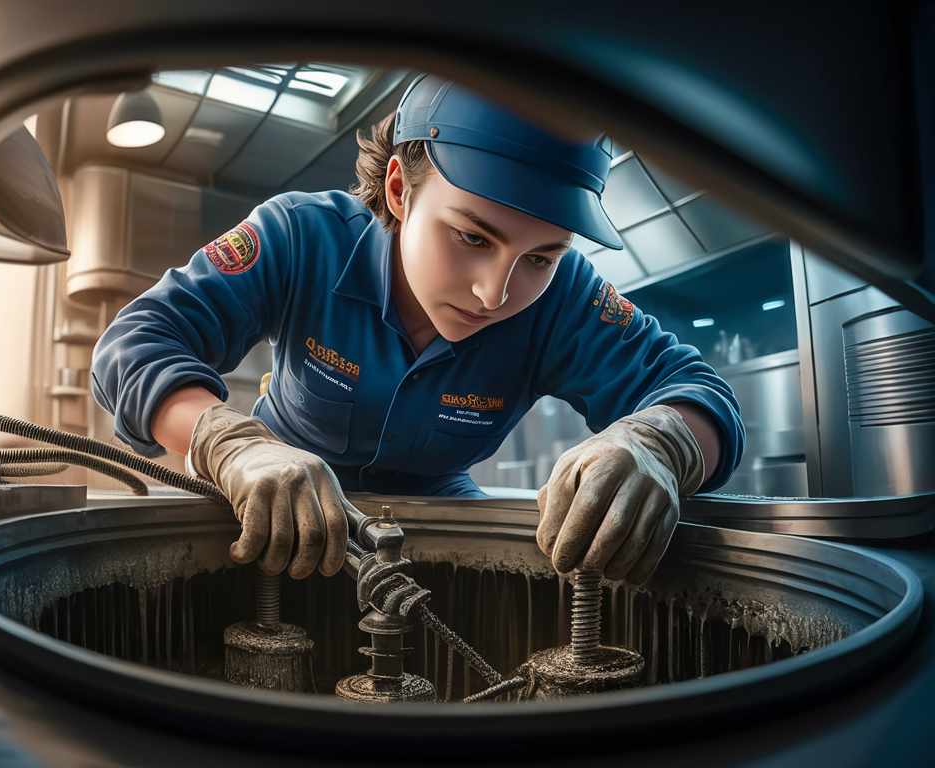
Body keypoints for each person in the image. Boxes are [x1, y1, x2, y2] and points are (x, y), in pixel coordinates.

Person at [92, 75, 743, 587]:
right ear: (401, 191)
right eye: (470, 236)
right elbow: (135, 343)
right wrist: (232, 444)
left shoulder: (565, 294)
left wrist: (661, 444)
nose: (496, 291)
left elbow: (696, 391)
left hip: (441, 513)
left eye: (540, 256)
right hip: (270, 491)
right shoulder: (301, 236)